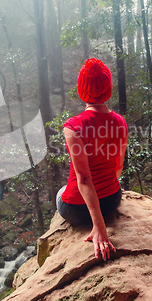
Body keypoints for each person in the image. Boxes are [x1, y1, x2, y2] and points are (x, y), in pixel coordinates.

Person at [56, 58, 128, 261]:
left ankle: (94, 219)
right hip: (112, 200)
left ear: (81, 90)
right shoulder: (120, 122)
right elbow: (118, 167)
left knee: (61, 193)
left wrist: (99, 227)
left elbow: (85, 178)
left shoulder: (74, 127)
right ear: (108, 89)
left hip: (77, 210)